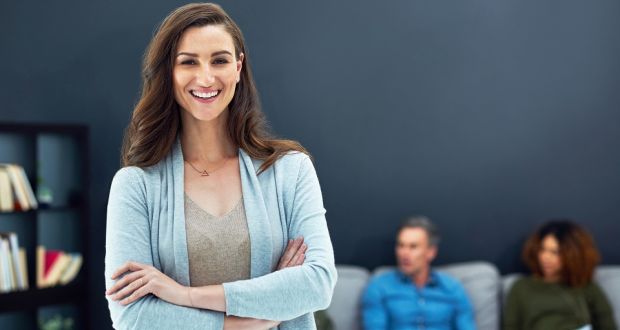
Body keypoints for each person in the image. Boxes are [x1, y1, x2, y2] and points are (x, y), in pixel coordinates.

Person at [103, 3, 337, 329]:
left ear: (238, 68)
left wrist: (183, 295)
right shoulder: (136, 185)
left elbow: (318, 283)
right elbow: (133, 315)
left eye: (219, 60)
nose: (206, 76)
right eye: (188, 62)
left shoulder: (290, 171)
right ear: (169, 72)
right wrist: (253, 320)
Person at [361, 216, 476, 330]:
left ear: (431, 252)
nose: (404, 254)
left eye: (413, 247)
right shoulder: (379, 288)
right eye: (401, 246)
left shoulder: (453, 288)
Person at [504, 220, 617, 330]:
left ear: (572, 255)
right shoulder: (521, 287)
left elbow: (608, 325)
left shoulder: (585, 286)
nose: (545, 257)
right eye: (542, 249)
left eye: (555, 252)